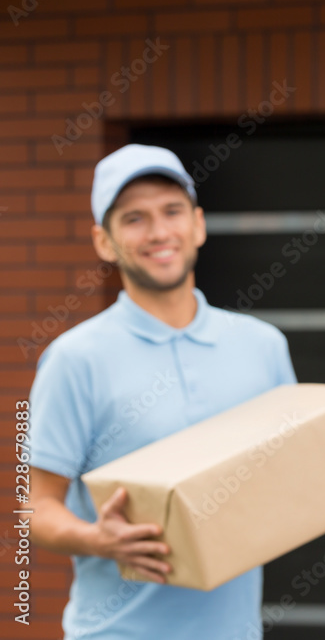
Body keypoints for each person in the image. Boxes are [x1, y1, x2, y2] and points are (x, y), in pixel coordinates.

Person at [26, 144, 297, 639]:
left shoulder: (262, 346)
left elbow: (290, 476)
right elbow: (36, 509)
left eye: (172, 211)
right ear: (103, 242)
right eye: (134, 218)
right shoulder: (74, 358)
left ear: (197, 224)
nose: (158, 232)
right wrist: (96, 538)